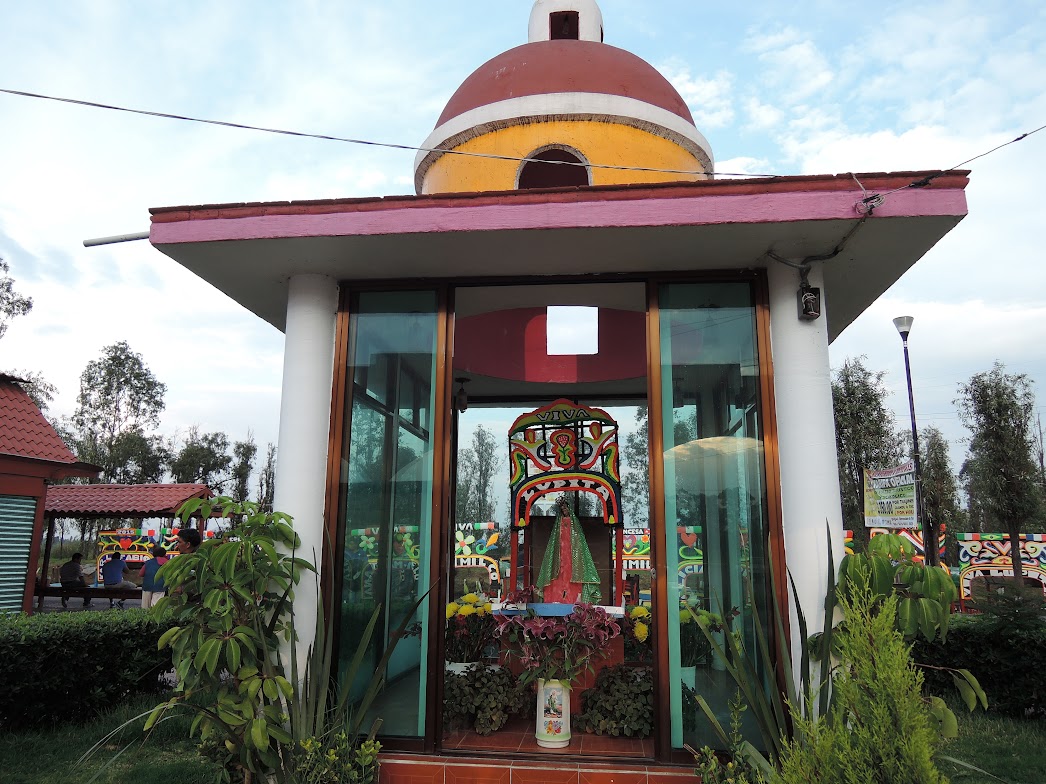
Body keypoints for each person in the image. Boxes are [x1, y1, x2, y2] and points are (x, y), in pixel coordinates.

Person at [139, 545, 169, 609]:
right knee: (155, 607)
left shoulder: (148, 562)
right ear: (164, 554)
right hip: (160, 586)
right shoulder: (167, 562)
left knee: (145, 607)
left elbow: (141, 574)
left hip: (147, 585)